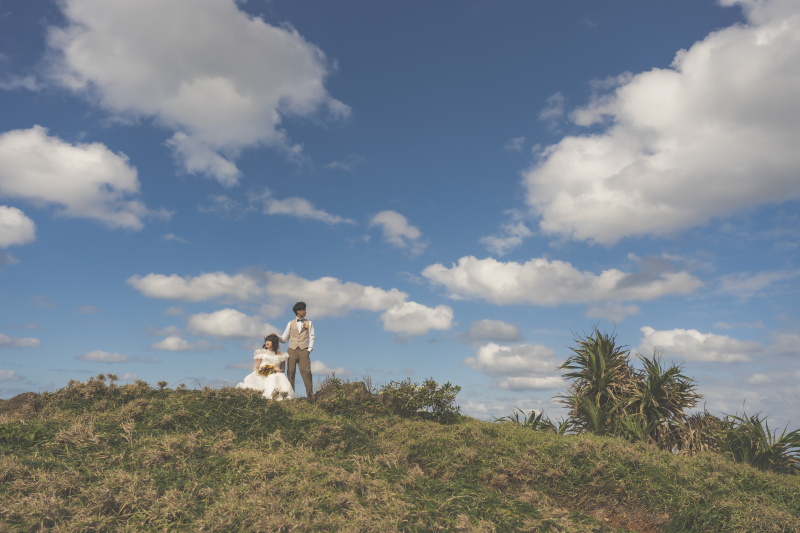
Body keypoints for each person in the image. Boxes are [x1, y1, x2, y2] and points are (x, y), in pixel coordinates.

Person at [235, 333, 295, 400]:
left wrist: (279, 371)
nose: (267, 342)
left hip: (275, 373)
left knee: (275, 377)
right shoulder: (261, 353)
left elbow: (283, 369)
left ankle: (275, 396)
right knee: (249, 378)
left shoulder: (282, 355)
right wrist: (258, 374)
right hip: (262, 372)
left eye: (269, 341)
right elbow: (256, 367)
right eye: (266, 341)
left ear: (274, 343)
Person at [278, 301, 315, 400]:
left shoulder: (309, 323)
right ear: (298, 311)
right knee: (291, 372)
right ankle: (291, 396)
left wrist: (309, 349)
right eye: (303, 309)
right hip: (292, 350)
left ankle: (310, 394)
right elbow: (284, 339)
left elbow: (312, 337)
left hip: (304, 350)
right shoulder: (290, 323)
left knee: (306, 371)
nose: (305, 311)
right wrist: (276, 336)